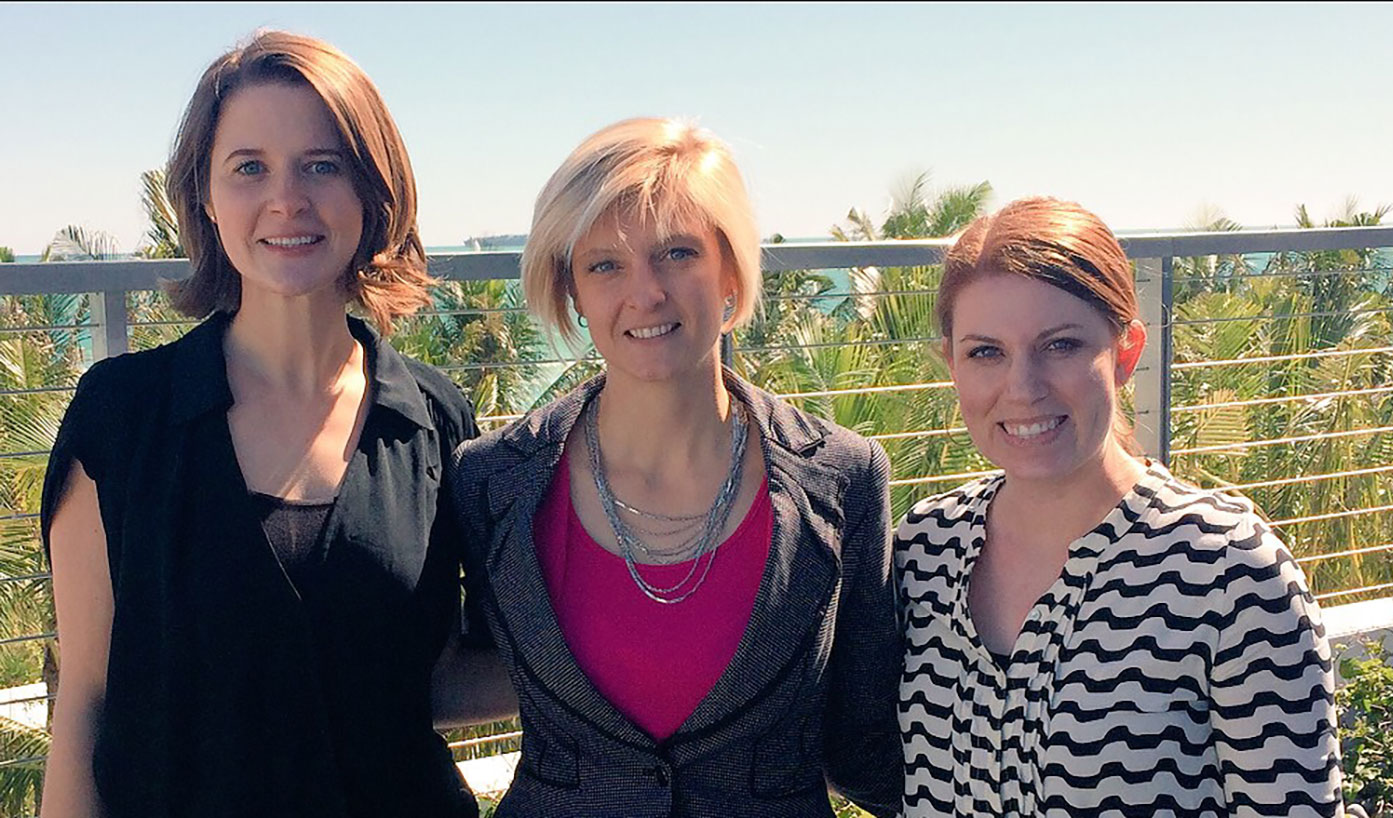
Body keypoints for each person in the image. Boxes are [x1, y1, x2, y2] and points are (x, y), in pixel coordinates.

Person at [40, 31, 482, 817]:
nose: (288, 200)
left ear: (372, 191)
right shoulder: (122, 419)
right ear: (207, 199)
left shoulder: (436, 420)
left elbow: (431, 671)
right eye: (250, 168)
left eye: (323, 164)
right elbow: (88, 698)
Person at [435, 117, 903, 817]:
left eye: (677, 253)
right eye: (605, 265)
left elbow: (865, 739)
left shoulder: (844, 477)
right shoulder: (490, 482)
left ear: (731, 270)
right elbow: (440, 674)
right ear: (571, 291)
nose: (645, 292)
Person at [896, 197, 1344, 816]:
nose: (1022, 388)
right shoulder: (923, 550)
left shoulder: (1225, 569)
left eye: (1060, 345)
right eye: (986, 352)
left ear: (1127, 351)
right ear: (952, 364)